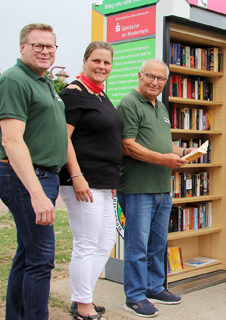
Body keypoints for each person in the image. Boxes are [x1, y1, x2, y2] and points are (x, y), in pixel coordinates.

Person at [117, 59, 194, 317]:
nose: (155, 82)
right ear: (140, 75)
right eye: (150, 76)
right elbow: (127, 145)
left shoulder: (159, 105)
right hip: (138, 187)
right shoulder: (129, 103)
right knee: (137, 245)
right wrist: (164, 160)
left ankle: (154, 287)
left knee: (157, 243)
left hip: (162, 187)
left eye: (161, 79)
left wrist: (184, 151)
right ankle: (135, 296)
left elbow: (163, 144)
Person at [0, 23, 68, 319]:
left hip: (45, 176)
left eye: (50, 46)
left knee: (28, 254)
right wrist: (37, 194)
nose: (45, 51)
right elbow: (11, 140)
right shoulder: (14, 79)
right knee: (41, 258)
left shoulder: (43, 82)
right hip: (27, 178)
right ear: (22, 47)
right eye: (37, 45)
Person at [58, 41, 124, 320]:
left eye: (107, 62)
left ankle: (81, 295)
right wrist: (76, 176)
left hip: (102, 181)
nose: (102, 67)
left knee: (106, 238)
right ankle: (83, 305)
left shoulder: (99, 94)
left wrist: (110, 179)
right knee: (86, 242)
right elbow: (63, 138)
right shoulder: (73, 93)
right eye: (96, 61)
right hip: (81, 181)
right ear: (85, 61)